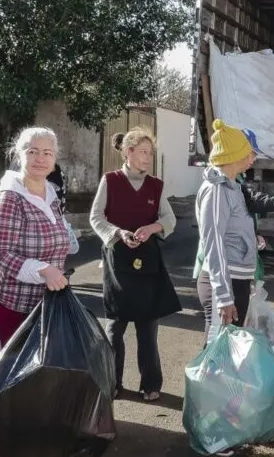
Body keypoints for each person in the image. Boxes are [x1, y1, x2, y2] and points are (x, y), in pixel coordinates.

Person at [90, 128, 181, 402]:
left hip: (148, 261)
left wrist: (153, 227)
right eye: (143, 152)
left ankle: (151, 384)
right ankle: (112, 382)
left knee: (147, 326)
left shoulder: (156, 185)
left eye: (150, 153)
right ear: (128, 152)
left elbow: (169, 219)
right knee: (115, 326)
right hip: (117, 260)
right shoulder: (110, 181)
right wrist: (118, 233)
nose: (147, 157)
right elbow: (96, 217)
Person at [0, 127, 70, 354]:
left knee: (40, 375)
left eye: (47, 153)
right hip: (12, 305)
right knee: (10, 375)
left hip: (47, 304)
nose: (40, 159)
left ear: (54, 159)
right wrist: (44, 269)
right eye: (32, 151)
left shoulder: (51, 194)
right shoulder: (10, 198)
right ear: (19, 155)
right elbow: (0, 255)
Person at [195, 123, 274, 347]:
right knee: (216, 355)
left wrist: (252, 239)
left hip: (235, 280)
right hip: (224, 283)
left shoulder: (232, 187)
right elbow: (214, 243)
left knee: (225, 355)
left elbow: (233, 229)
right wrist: (223, 296)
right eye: (248, 152)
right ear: (235, 155)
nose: (253, 158)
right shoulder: (217, 190)